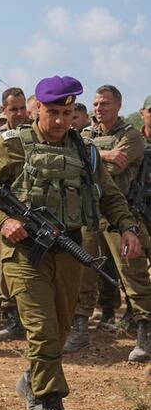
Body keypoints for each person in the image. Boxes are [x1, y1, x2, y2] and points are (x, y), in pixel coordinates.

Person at [0, 76, 140, 410]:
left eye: (67, 113)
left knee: (59, 330)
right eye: (53, 113)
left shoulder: (85, 151)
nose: (61, 121)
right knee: (43, 330)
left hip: (69, 249)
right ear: (36, 110)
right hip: (25, 253)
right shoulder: (12, 147)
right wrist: (5, 221)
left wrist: (126, 227)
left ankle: (33, 377)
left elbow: (109, 195)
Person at [64, 85, 150, 362]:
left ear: (119, 106)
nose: (99, 109)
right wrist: (104, 155)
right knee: (82, 274)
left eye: (105, 104)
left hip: (119, 214)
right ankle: (80, 330)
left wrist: (94, 159)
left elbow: (112, 170)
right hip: (88, 216)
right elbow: (71, 163)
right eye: (96, 104)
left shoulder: (131, 136)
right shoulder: (85, 135)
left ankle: (144, 335)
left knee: (132, 273)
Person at [0, 87, 32, 343]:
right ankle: (14, 320)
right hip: (5, 217)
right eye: (13, 108)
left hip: (33, 214)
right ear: (4, 111)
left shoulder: (35, 134)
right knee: (5, 270)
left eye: (22, 107)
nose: (19, 113)